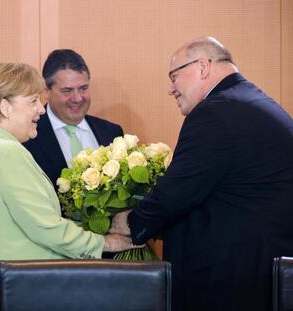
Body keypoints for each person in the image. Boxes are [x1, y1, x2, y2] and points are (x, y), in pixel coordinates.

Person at [111, 36, 293, 311]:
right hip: (263, 270)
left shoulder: (216, 113)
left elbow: (177, 193)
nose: (171, 89)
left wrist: (130, 223)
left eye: (174, 76)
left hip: (236, 279)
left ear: (203, 67)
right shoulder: (249, 101)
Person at [0, 62, 137, 311]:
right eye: (33, 101)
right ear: (5, 107)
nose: (41, 110)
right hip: (14, 292)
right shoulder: (7, 153)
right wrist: (106, 243)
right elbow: (46, 227)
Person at [23, 49, 124, 191]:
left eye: (83, 88)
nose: (77, 98)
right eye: (67, 91)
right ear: (46, 91)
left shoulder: (112, 132)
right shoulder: (27, 137)